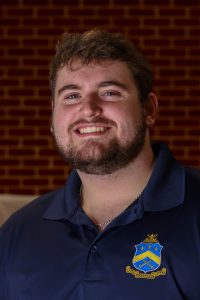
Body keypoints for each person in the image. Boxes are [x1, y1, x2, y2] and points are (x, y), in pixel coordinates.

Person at [0, 30, 200, 300]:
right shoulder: (19, 231)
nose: (88, 109)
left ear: (149, 110)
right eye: (71, 96)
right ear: (52, 117)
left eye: (109, 92)